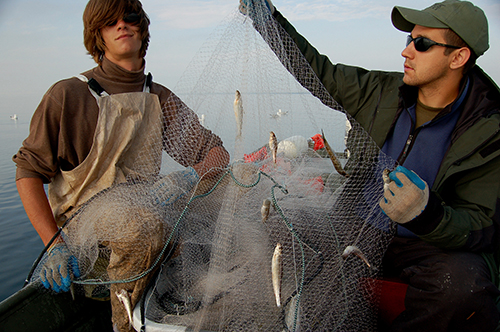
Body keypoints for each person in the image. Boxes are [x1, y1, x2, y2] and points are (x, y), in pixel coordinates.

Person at [240, 0, 500, 330]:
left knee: (464, 288)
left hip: (428, 247)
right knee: (278, 226)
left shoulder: (489, 128)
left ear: (459, 57)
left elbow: (483, 226)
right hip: (357, 225)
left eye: (421, 44)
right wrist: (268, 20)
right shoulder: (381, 91)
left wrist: (428, 214)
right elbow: (319, 72)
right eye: (409, 40)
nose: (407, 52)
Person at [13, 0, 229, 331]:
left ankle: (184, 290)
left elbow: (216, 153)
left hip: (149, 209)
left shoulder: (159, 98)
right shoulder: (68, 94)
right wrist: (53, 245)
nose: (121, 25)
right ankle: (124, 326)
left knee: (239, 184)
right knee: (139, 225)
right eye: (108, 21)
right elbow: (28, 172)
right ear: (96, 34)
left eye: (129, 17)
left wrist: (187, 178)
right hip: (86, 229)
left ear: (142, 29)